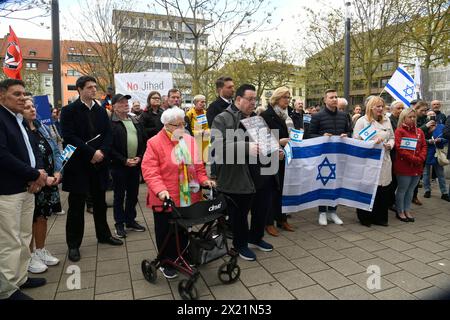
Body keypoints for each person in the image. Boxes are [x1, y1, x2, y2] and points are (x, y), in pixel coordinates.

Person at [141, 107, 215, 279]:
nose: (183, 127)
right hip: (166, 196)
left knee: (183, 229)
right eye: (178, 125)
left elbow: (198, 166)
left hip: (188, 195)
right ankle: (166, 261)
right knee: (165, 230)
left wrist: (204, 180)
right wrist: (161, 191)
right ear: (167, 125)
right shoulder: (154, 143)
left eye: (183, 124)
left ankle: (183, 254)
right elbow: (150, 171)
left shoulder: (189, 140)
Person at [60, 76, 123, 263]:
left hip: (99, 163)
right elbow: (69, 137)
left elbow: (108, 134)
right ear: (79, 89)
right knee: (76, 206)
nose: (93, 90)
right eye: (89, 87)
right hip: (78, 164)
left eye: (95, 87)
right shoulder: (68, 110)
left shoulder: (101, 110)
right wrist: (91, 152)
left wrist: (102, 151)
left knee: (100, 202)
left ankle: (103, 235)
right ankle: (73, 244)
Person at [211, 84, 274, 261]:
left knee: (261, 209)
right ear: (238, 99)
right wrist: (246, 147)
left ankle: (256, 238)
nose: (254, 102)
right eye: (250, 99)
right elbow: (217, 147)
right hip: (236, 175)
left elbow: (266, 142)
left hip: (260, 172)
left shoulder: (257, 118)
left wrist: (275, 149)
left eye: (255, 99)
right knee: (239, 214)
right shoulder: (222, 119)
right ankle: (240, 245)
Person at [0, 79, 48, 300]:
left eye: (23, 94)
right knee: (10, 241)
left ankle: (20, 278)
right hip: (8, 191)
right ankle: (7, 291)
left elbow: (32, 148)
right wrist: (33, 174)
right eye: (16, 94)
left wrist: (38, 172)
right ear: (2, 96)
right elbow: (3, 156)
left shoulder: (18, 120)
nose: (21, 98)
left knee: (23, 236)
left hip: (27, 188)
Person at [22, 98, 62, 273]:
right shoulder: (20, 129)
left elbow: (54, 149)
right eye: (27, 107)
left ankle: (40, 250)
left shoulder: (41, 127)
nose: (32, 109)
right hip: (33, 182)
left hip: (49, 179)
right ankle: (28, 256)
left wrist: (58, 171)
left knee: (43, 216)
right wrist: (38, 177)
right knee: (29, 218)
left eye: (33, 106)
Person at [308, 89, 351, 226]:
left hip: (339, 155)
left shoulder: (344, 115)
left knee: (337, 183)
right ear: (325, 100)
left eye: (336, 97)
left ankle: (332, 211)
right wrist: (322, 137)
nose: (334, 99)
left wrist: (346, 135)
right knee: (323, 182)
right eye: (331, 97)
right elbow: (309, 135)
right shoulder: (317, 116)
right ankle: (322, 212)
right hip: (323, 156)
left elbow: (349, 131)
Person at [353, 97, 394, 227]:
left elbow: (392, 137)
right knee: (368, 188)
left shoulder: (387, 121)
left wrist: (390, 145)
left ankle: (380, 217)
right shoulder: (362, 122)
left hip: (385, 159)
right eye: (378, 106)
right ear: (371, 107)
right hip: (368, 161)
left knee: (383, 189)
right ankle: (365, 217)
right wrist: (371, 143)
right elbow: (356, 142)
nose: (381, 109)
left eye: (382, 106)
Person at [110, 94, 147, 238]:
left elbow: (144, 141)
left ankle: (130, 220)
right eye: (121, 102)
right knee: (119, 196)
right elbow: (109, 147)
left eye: (126, 101)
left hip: (135, 164)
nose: (126, 104)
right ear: (114, 106)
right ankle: (119, 223)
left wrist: (140, 157)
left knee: (133, 194)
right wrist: (124, 160)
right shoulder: (110, 123)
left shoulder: (135, 120)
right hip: (119, 166)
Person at [260, 87, 295, 236]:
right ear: (277, 98)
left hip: (284, 156)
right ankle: (268, 222)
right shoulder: (266, 115)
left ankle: (281, 218)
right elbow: (262, 138)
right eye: (285, 97)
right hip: (270, 157)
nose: (288, 100)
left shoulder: (288, 115)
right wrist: (279, 141)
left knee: (282, 188)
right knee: (270, 190)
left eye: (289, 97)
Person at [394, 108, 427, 223]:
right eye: (410, 117)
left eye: (414, 117)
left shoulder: (419, 132)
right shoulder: (399, 131)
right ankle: (400, 211)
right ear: (403, 118)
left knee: (411, 190)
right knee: (402, 189)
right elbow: (400, 148)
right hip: (404, 165)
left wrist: (421, 158)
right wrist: (414, 159)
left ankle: (407, 210)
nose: (413, 119)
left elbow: (424, 146)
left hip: (417, 165)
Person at [423, 110, 449, 201]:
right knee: (426, 173)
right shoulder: (424, 127)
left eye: (433, 114)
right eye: (429, 115)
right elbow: (420, 139)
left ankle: (444, 193)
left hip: (438, 152)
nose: (431, 116)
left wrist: (440, 140)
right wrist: (428, 141)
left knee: (440, 174)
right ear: (426, 117)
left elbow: (447, 137)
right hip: (426, 152)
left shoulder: (442, 126)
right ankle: (427, 190)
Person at [185, 94, 210, 163]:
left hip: (204, 141)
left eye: (204, 102)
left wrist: (208, 131)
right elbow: (187, 129)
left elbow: (207, 126)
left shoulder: (205, 113)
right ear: (195, 103)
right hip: (194, 140)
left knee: (204, 161)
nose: (204, 104)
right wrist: (196, 132)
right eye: (201, 102)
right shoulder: (189, 114)